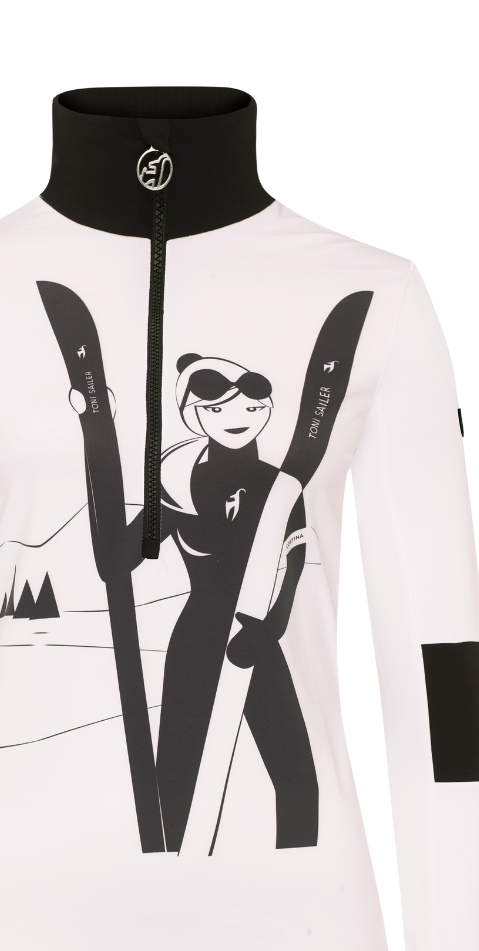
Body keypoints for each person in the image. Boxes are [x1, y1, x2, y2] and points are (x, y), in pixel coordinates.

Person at [124, 353, 319, 851]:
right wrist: (97, 449)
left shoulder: (282, 487)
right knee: (176, 784)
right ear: (193, 414)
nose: (237, 418)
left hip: (255, 637)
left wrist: (270, 627)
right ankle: (169, 885)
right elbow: (118, 561)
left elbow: (293, 566)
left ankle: (295, 877)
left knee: (297, 778)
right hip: (197, 641)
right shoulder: (179, 482)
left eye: (251, 407)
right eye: (216, 408)